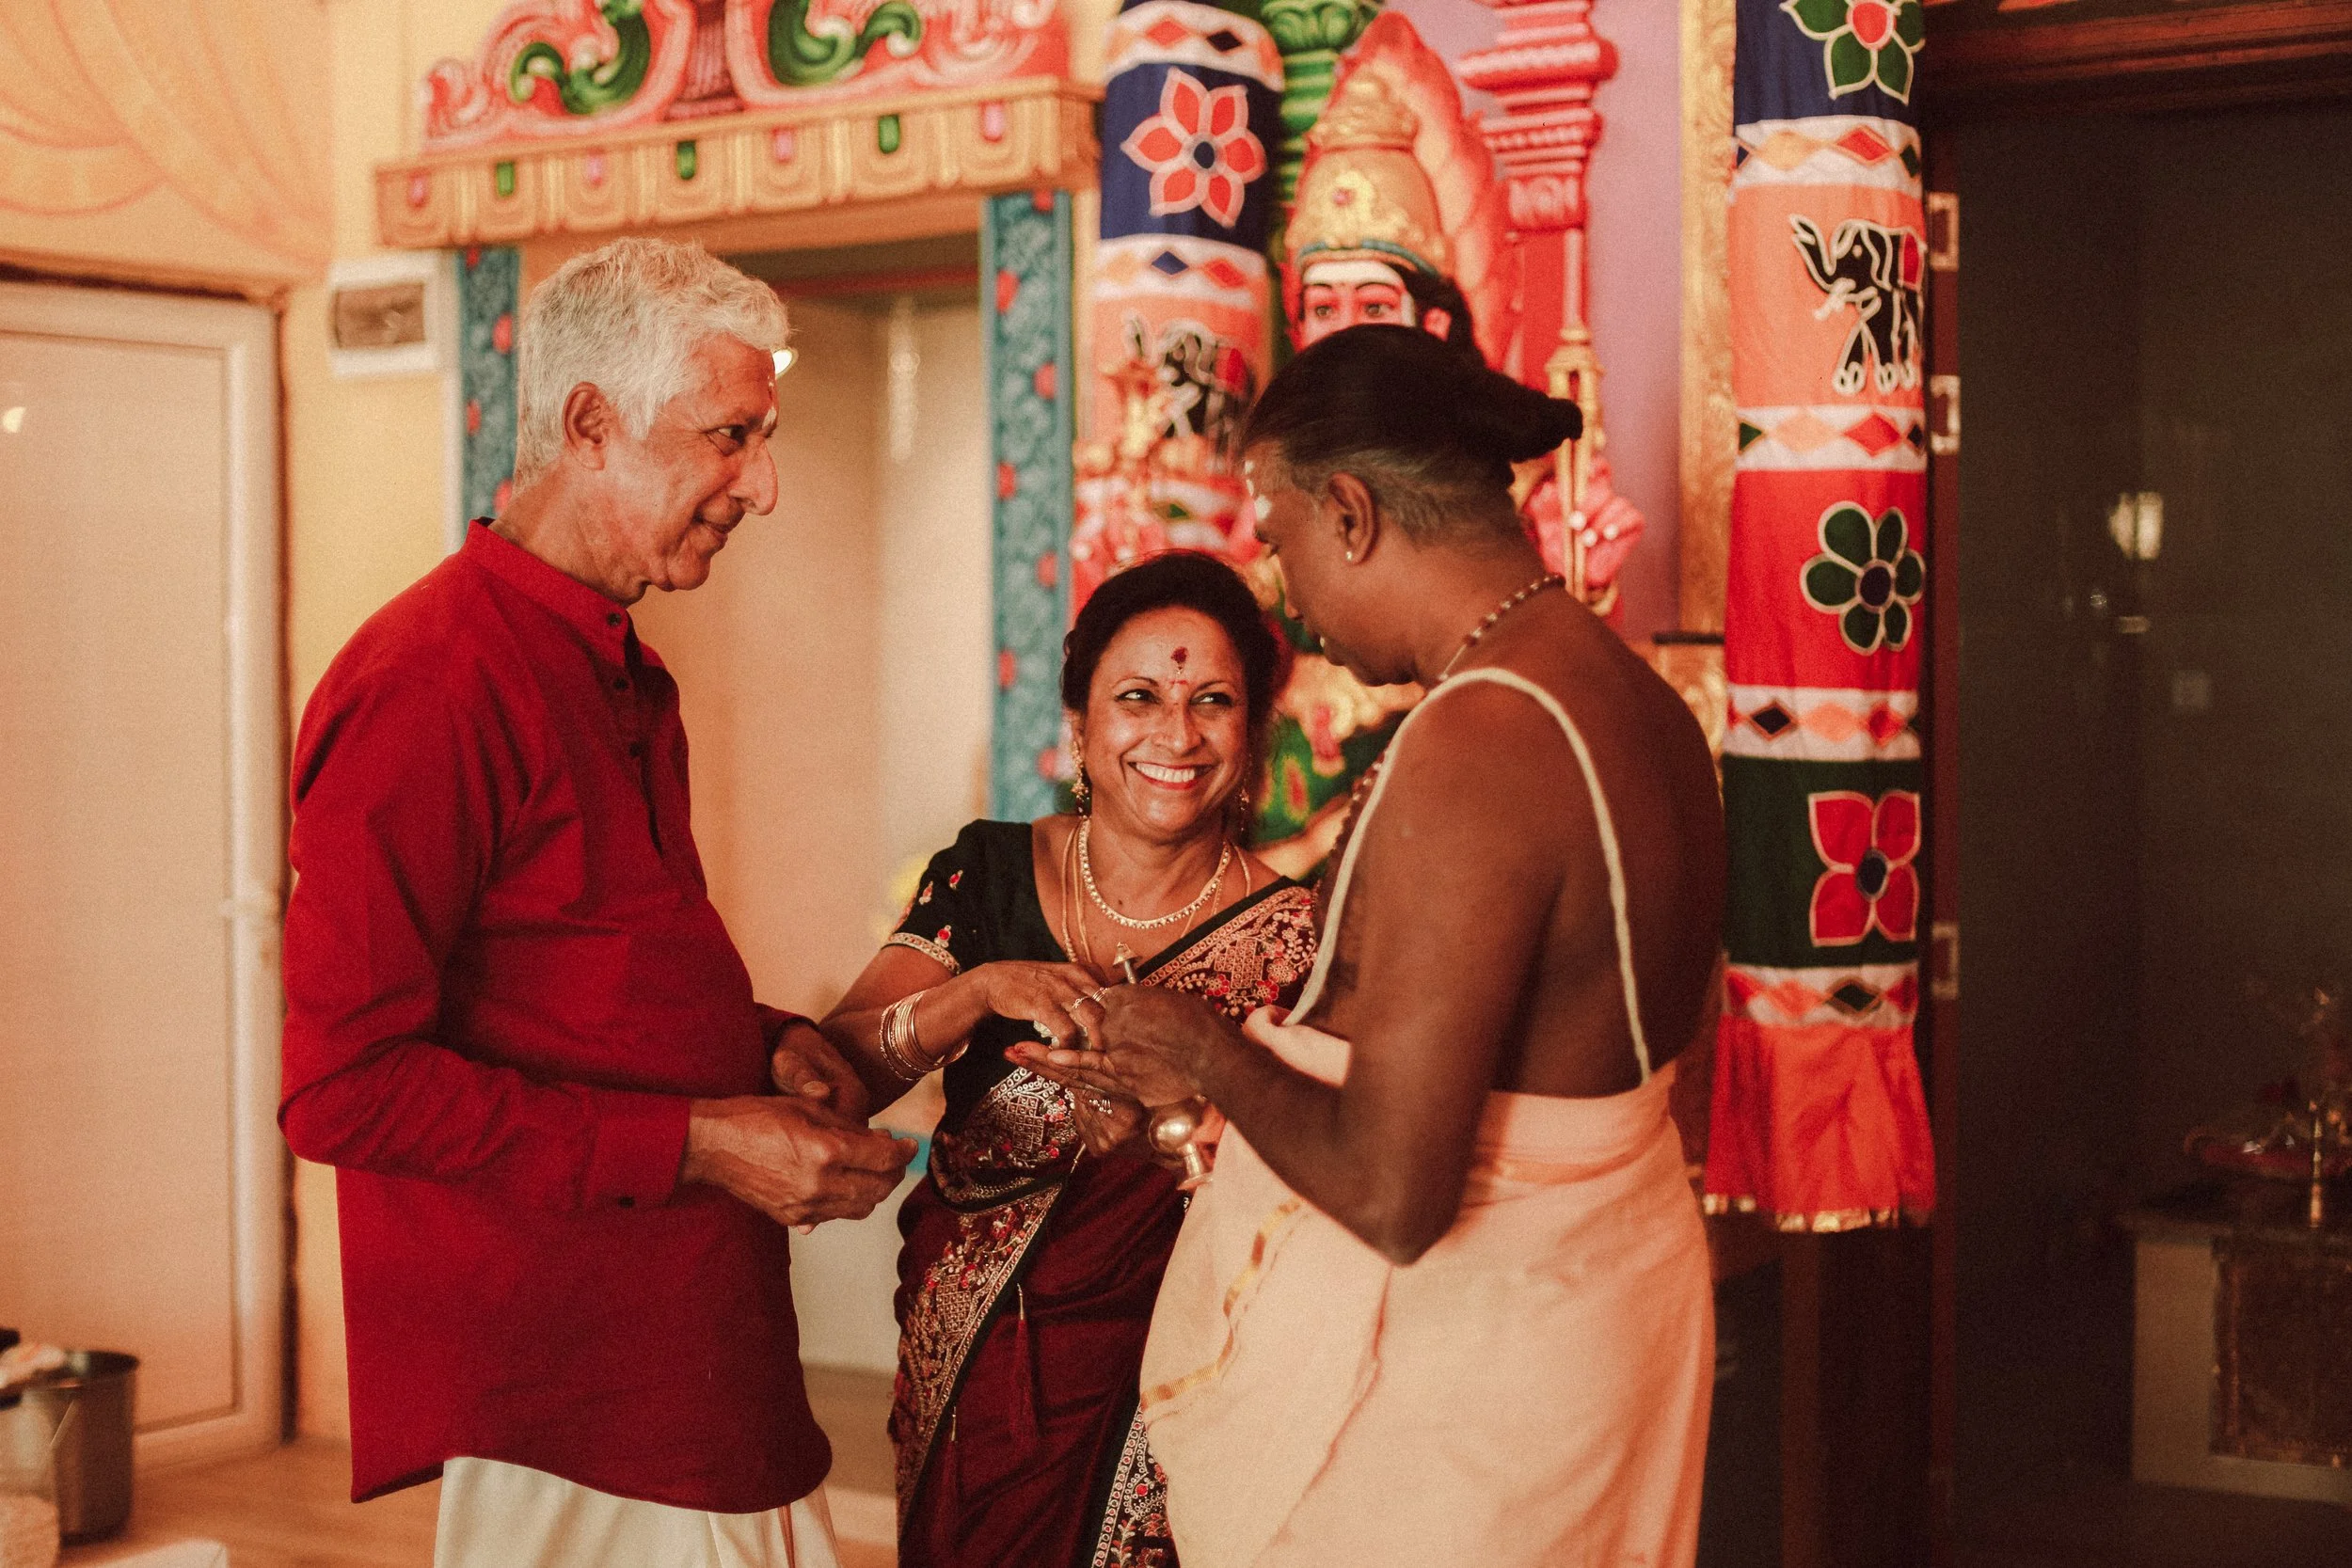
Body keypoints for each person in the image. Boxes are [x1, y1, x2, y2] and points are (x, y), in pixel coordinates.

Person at [280, 237, 912, 1568]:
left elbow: (575, 973)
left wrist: (756, 1045)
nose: (766, 484)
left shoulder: (611, 659)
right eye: (729, 436)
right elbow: (343, 1085)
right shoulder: (435, 677)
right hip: (572, 1388)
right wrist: (698, 1141)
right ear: (590, 424)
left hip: (686, 1342)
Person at [1055, 325, 1726, 1567]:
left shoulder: (1484, 736)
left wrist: (1203, 1045)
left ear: (1350, 511)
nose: (1282, 587)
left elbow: (1397, 1192)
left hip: (1484, 1360)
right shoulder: (1634, 696)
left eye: (1277, 535)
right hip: (1600, 1304)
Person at [815, 552, 1318, 1568]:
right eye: (1137, 697)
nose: (1175, 734)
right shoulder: (988, 870)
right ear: (1080, 725)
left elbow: (1317, 1186)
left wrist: (1167, 1137)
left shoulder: (1296, 938)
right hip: (977, 1359)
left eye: (1212, 700)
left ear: (1253, 730)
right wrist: (972, 991)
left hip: (1177, 1364)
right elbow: (835, 1074)